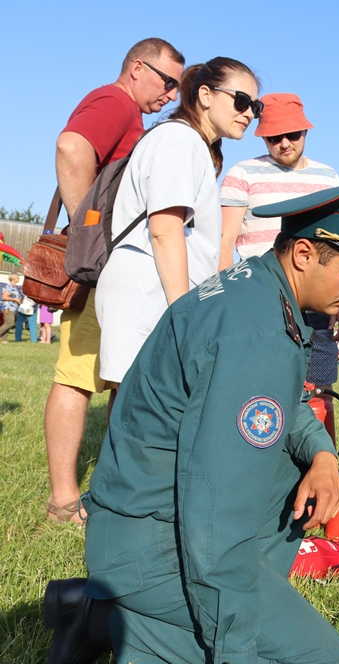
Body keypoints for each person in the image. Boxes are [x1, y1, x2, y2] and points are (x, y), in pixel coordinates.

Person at [43, 169, 339, 664]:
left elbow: (283, 403)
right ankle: (99, 619)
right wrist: (236, 663)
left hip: (150, 525)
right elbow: (217, 508)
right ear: (303, 254)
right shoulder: (254, 331)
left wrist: (322, 456)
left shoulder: (259, 291)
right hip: (157, 544)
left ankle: (99, 610)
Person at [45, 38, 185, 524]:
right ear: (137, 68)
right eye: (167, 82)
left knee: (117, 377)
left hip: (107, 270)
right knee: (77, 377)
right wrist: (91, 231)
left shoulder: (126, 109)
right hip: (100, 269)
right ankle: (64, 500)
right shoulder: (117, 102)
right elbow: (70, 146)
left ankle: (111, 488)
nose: (171, 94)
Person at [96, 57, 261, 385]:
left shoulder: (187, 142)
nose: (249, 113)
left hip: (153, 286)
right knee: (146, 408)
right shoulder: (181, 142)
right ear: (206, 95)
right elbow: (165, 229)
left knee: (136, 405)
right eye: (241, 101)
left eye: (256, 106)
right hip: (151, 288)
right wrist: (183, 312)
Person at [219, 93, 339, 399]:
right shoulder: (242, 174)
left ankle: (319, 446)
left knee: (320, 387)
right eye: (274, 137)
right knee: (262, 387)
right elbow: (225, 242)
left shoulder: (328, 178)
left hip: (316, 297)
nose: (285, 143)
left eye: (292, 134)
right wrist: (223, 296)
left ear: (306, 131)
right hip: (261, 296)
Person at [0, 272, 23, 342]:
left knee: (6, 323)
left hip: (13, 308)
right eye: (17, 277)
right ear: (13, 278)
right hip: (8, 308)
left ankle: (3, 339)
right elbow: (4, 297)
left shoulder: (14, 287)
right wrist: (15, 300)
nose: (18, 278)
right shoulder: (9, 286)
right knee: (10, 323)